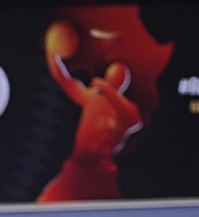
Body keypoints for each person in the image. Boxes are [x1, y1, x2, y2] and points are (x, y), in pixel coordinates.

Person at [37, 42, 142, 203]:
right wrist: (51, 55)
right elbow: (64, 80)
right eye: (110, 75)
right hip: (78, 169)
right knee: (45, 202)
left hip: (103, 173)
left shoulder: (127, 111)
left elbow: (136, 120)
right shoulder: (92, 98)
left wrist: (105, 87)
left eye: (115, 77)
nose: (110, 79)